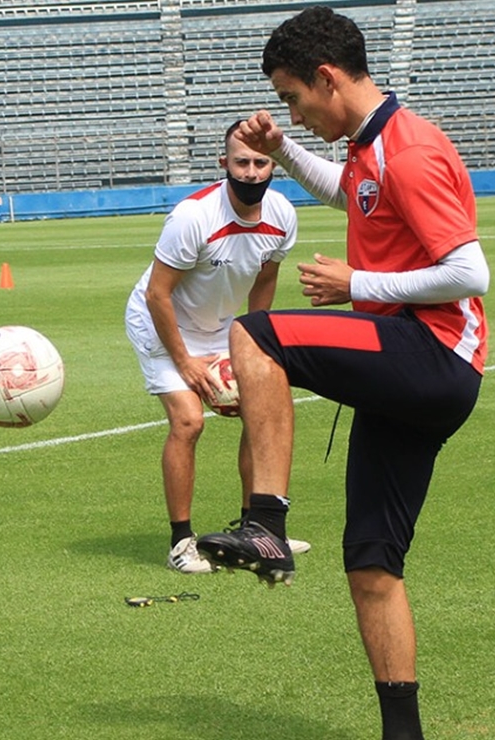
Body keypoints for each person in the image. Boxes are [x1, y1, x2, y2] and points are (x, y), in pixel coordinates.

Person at [194, 7, 490, 740]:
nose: (292, 109)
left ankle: (264, 522)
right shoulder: (370, 145)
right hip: (416, 374)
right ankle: (403, 733)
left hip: (432, 355)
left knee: (254, 335)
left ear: (327, 78)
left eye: (293, 97)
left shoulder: (408, 150)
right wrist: (286, 150)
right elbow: (347, 192)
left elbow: (468, 271)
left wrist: (360, 285)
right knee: (370, 563)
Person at [125, 121, 309, 574]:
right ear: (223, 163)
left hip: (223, 325)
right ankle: (180, 541)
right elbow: (157, 295)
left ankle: (257, 528)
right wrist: (185, 363)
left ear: (274, 166)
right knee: (188, 423)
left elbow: (266, 279)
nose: (250, 172)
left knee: (260, 410)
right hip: (162, 322)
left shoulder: (282, 215)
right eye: (241, 162)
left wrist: (253, 340)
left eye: (260, 162)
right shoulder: (194, 218)